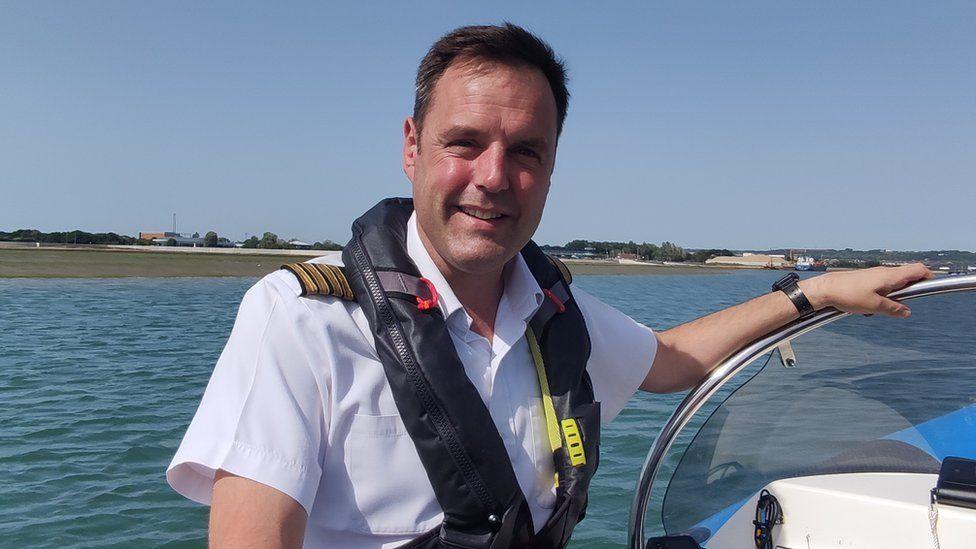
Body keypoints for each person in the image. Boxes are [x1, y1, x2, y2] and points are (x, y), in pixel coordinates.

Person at [167, 23, 932, 548]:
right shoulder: (299, 322)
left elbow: (672, 360)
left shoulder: (554, 316)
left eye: (526, 151)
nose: (494, 179)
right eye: (464, 143)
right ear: (411, 147)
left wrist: (814, 294)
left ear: (554, 164)